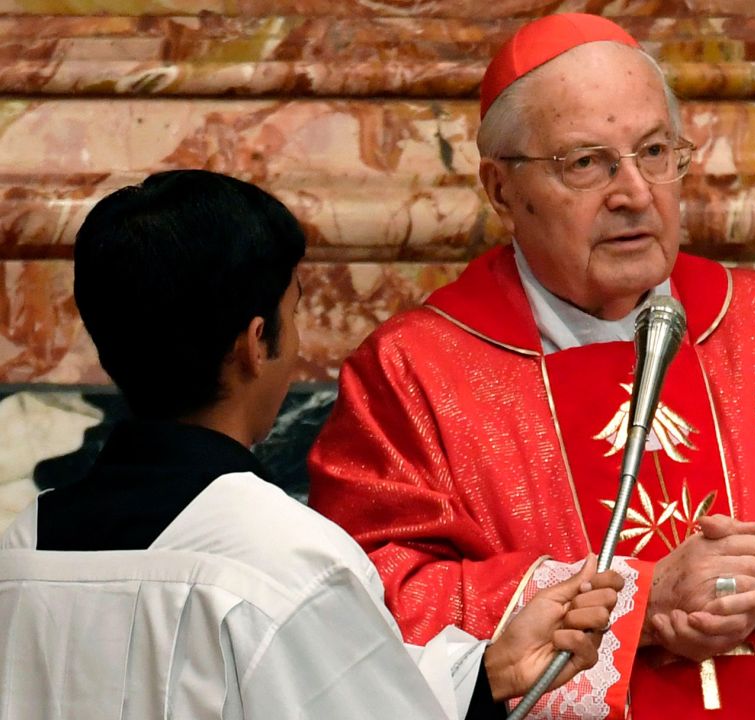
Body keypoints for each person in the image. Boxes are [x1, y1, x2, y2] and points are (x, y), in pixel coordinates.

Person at [308, 13, 755, 720]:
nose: (633, 193)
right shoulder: (416, 371)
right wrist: (637, 600)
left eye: (654, 152)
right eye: (586, 162)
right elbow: (374, 596)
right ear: (501, 190)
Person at [0, 170, 620, 720]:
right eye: (294, 316)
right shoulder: (282, 556)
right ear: (254, 343)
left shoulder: (21, 547)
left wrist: (486, 675)